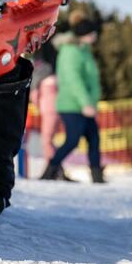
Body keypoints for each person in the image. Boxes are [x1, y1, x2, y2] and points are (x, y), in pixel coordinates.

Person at [41, 10, 104, 183]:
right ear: (84, 34)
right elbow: (74, 80)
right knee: (72, 141)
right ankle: (49, 171)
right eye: (92, 33)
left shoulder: (84, 50)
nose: (95, 36)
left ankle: (97, 177)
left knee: (94, 138)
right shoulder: (70, 52)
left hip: (85, 104)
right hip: (72, 105)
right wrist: (85, 103)